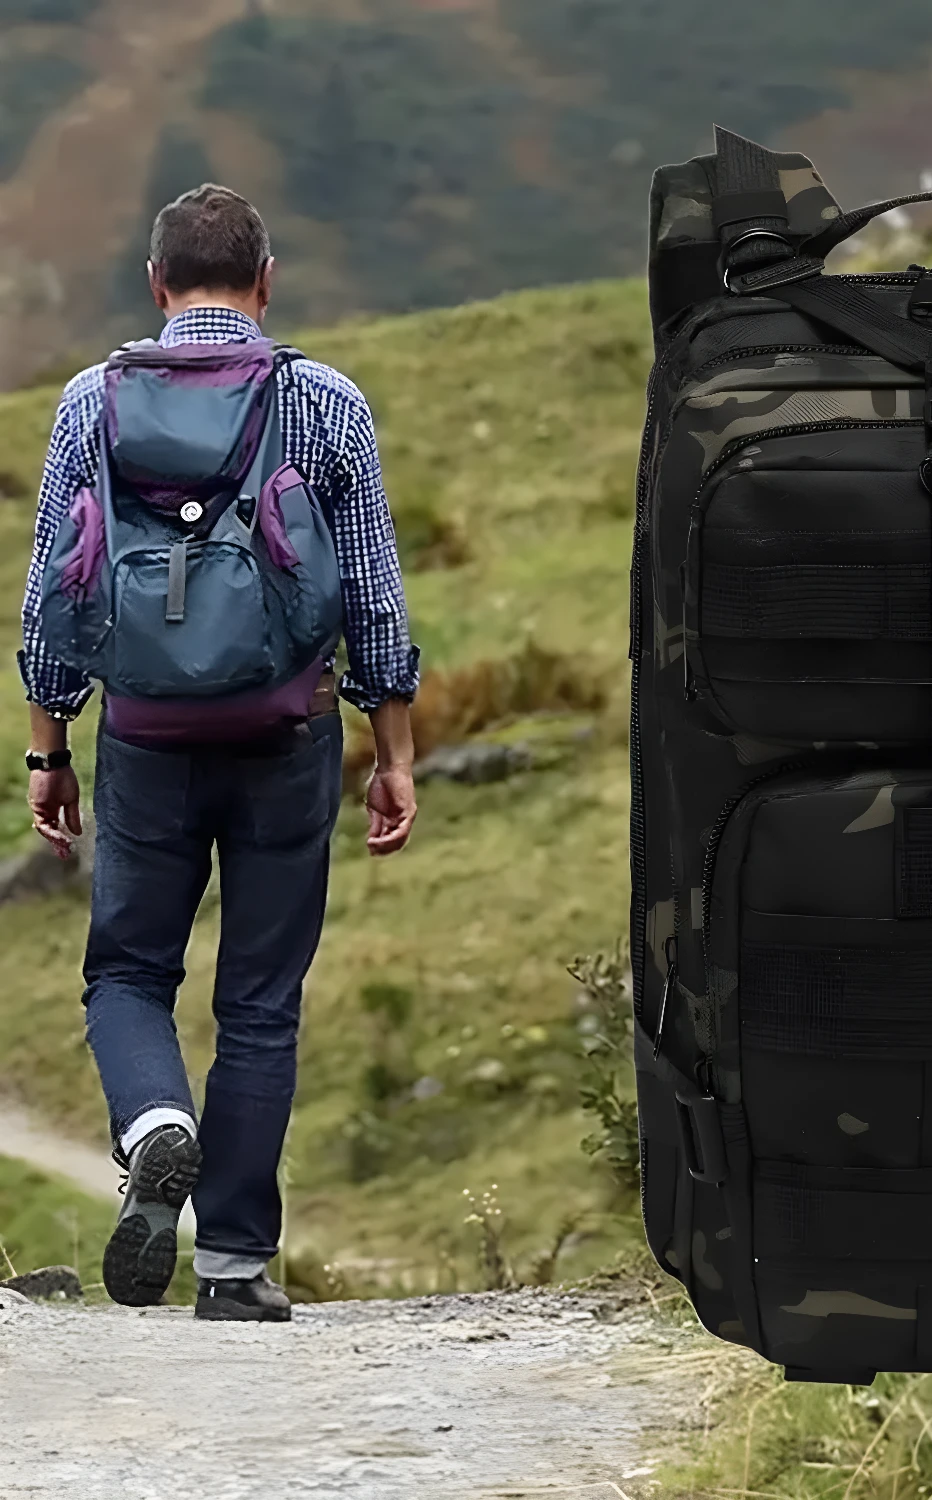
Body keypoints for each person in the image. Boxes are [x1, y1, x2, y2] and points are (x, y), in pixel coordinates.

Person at [17, 185, 421, 1322]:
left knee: (128, 971)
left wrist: (48, 749)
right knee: (260, 999)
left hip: (143, 736)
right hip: (287, 734)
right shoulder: (325, 402)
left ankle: (156, 1123)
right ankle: (235, 1267)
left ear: (156, 286)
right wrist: (392, 749)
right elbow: (377, 597)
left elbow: (55, 589)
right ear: (265, 281)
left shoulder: (91, 402)